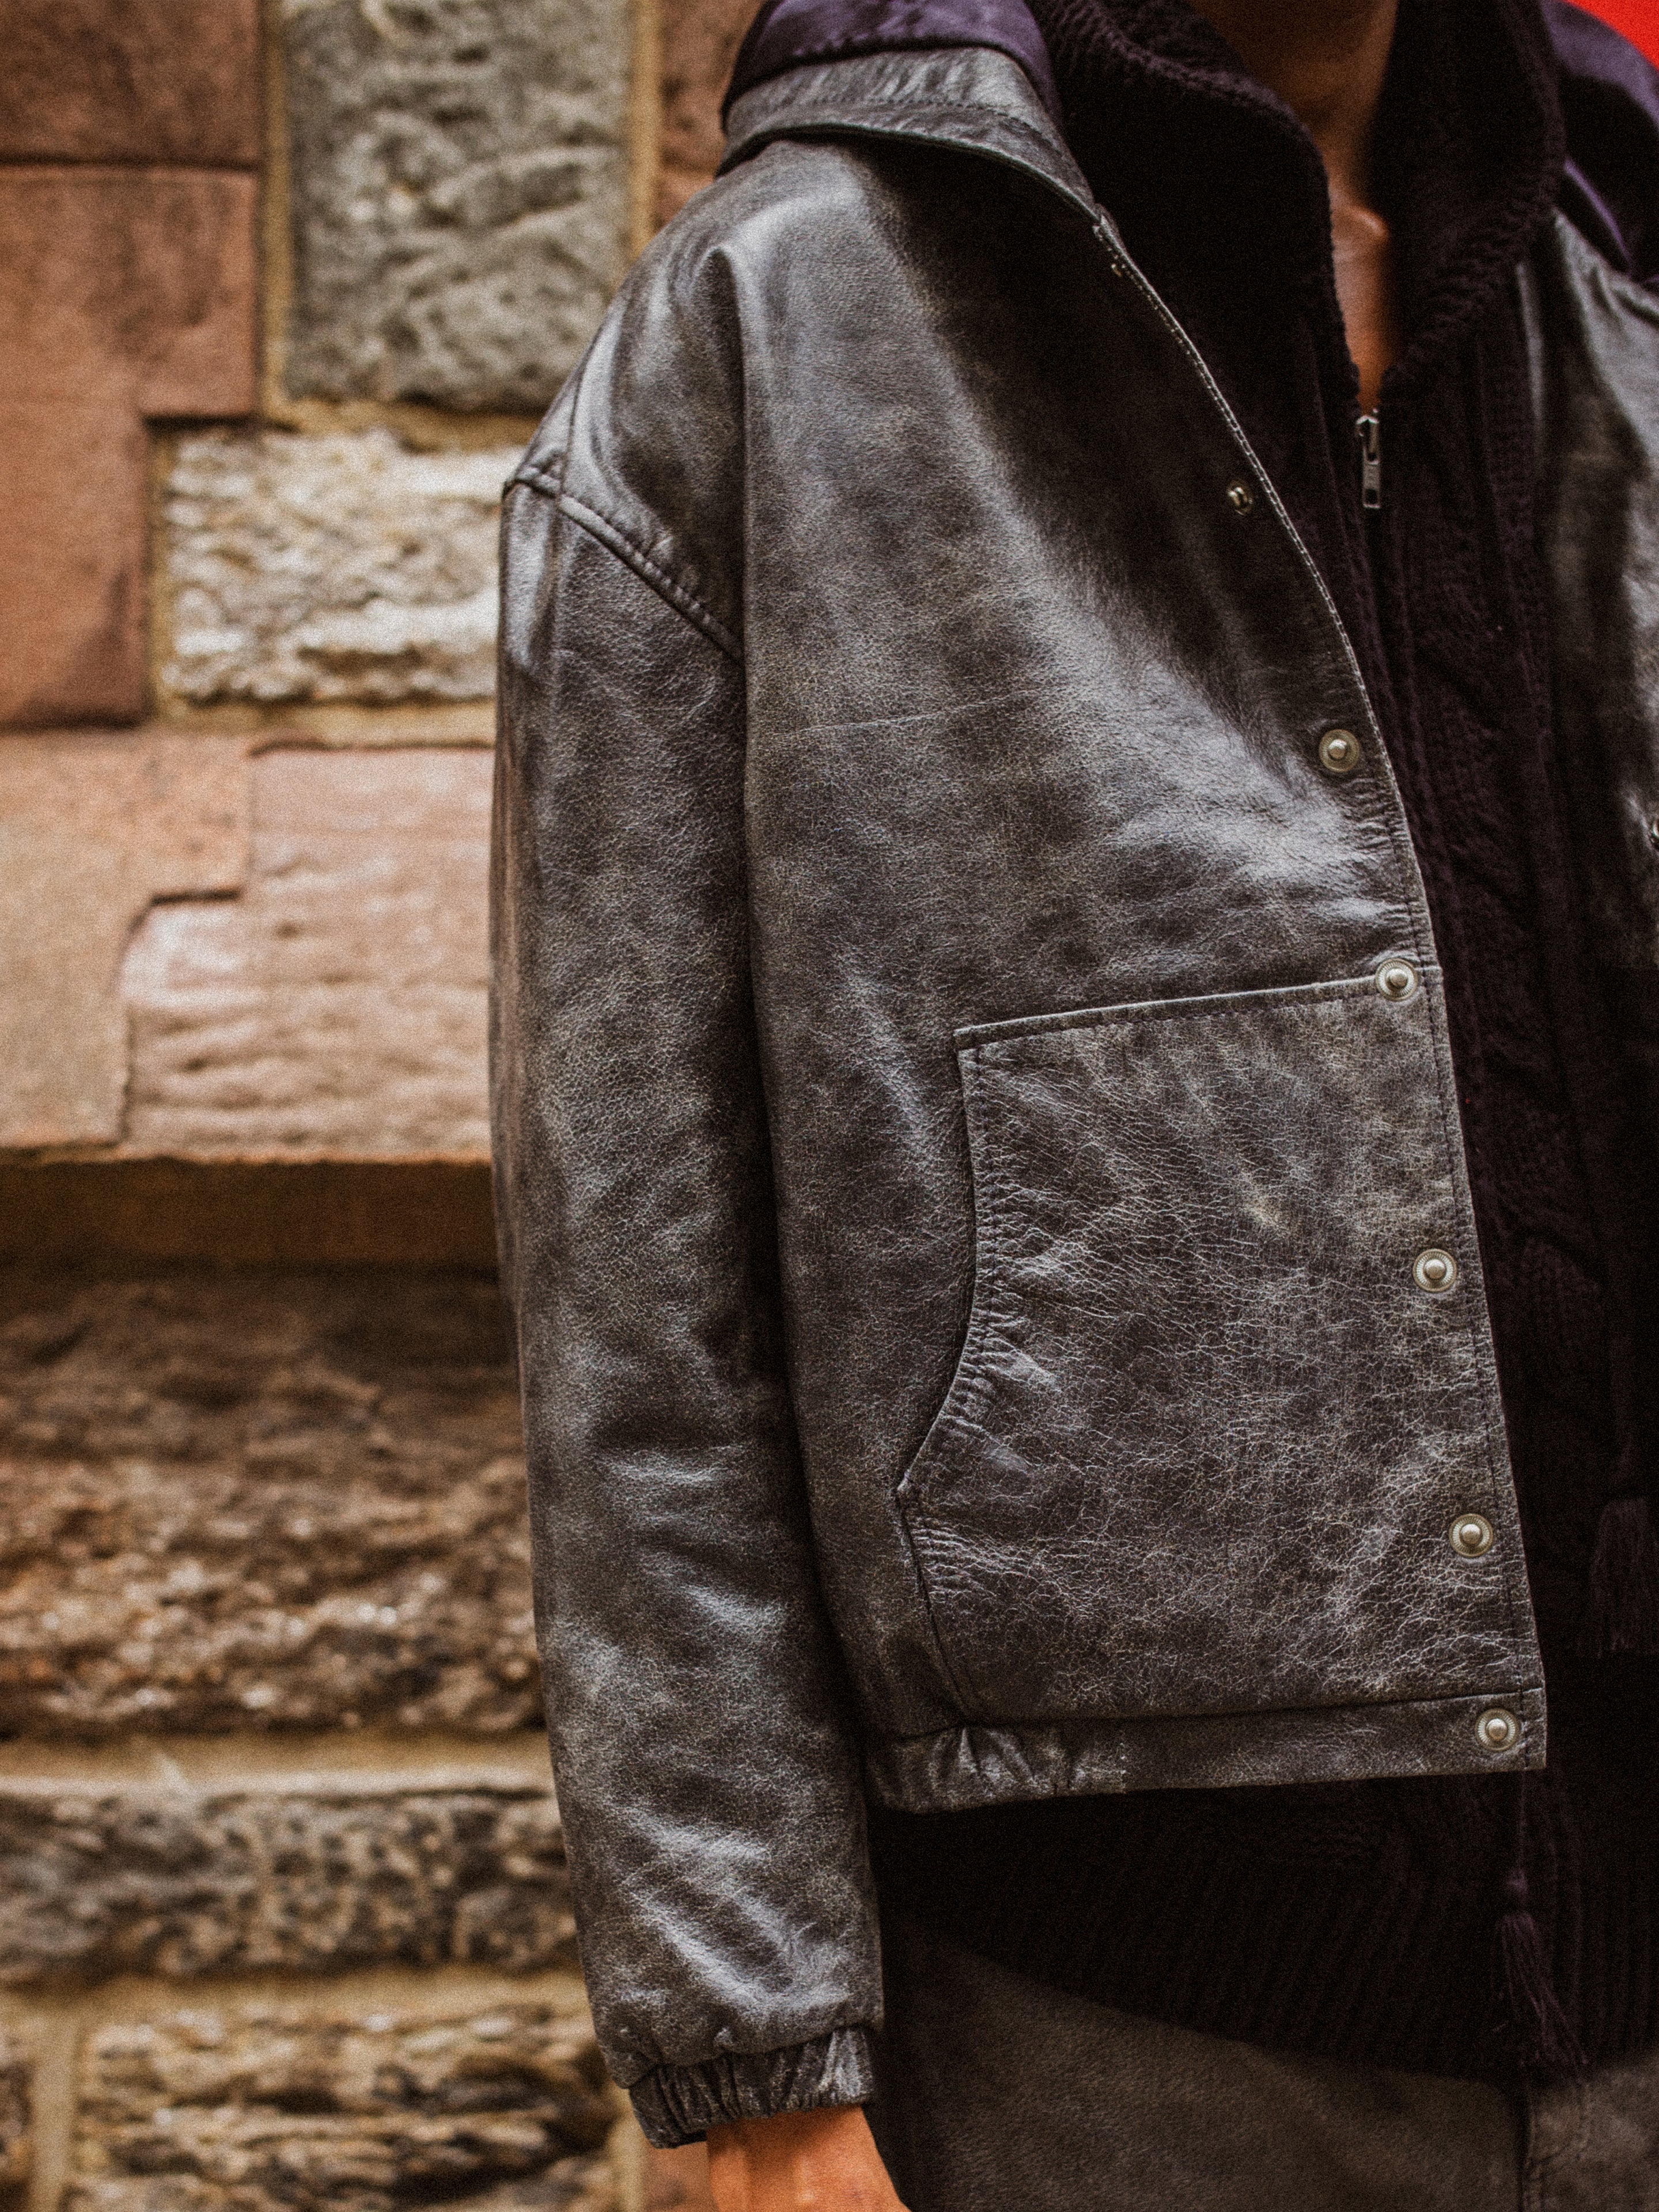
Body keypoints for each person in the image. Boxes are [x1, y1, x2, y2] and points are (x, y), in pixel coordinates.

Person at [490, 0, 1659, 2201]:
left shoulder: (1621, 281)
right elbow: (636, 1295)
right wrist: (762, 2059)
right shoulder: (780, 315)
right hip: (1105, 2027)